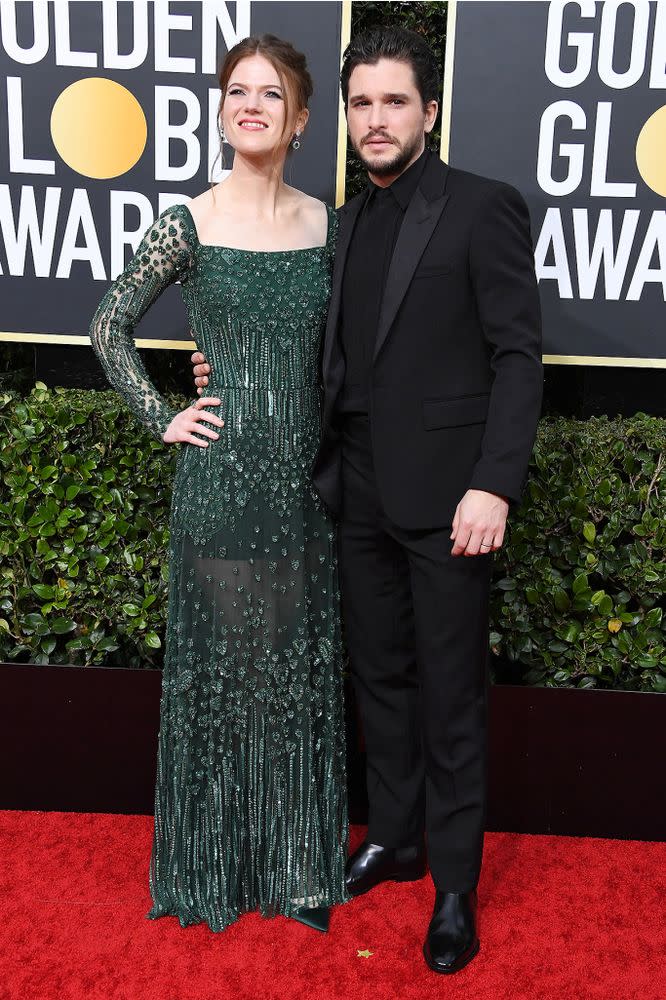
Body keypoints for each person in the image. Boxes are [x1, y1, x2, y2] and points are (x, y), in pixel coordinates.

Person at [193, 26, 543, 972]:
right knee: (380, 682)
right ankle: (396, 837)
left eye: (395, 101)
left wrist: (493, 484)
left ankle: (457, 889)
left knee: (451, 697)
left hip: (451, 504)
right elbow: (306, 343)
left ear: (431, 111)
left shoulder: (482, 209)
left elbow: (518, 356)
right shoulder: (342, 224)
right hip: (358, 495)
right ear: (343, 117)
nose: (377, 120)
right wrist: (217, 360)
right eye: (362, 103)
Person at [90, 34, 348, 935]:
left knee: (292, 672)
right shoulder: (188, 221)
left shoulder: (328, 226)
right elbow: (109, 324)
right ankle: (214, 865)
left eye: (270, 95)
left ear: (302, 119)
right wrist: (164, 413)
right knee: (232, 673)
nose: (251, 106)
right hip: (225, 479)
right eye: (237, 91)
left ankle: (293, 859)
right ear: (221, 107)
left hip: (306, 484)